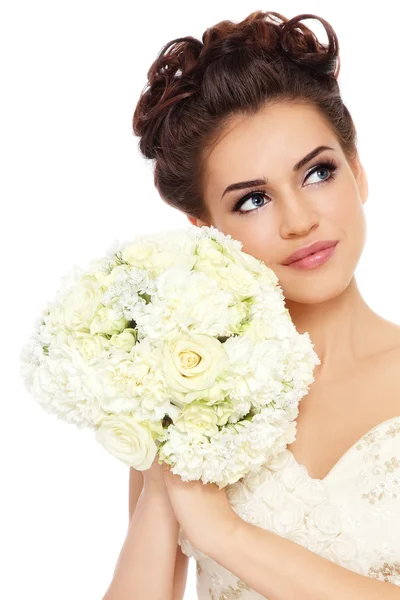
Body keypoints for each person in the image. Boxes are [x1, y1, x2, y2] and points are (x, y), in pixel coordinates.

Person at [103, 10, 400, 600]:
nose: (299, 220)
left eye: (318, 172)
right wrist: (169, 431)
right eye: (253, 199)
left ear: (358, 171)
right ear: (206, 229)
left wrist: (226, 536)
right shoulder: (193, 394)